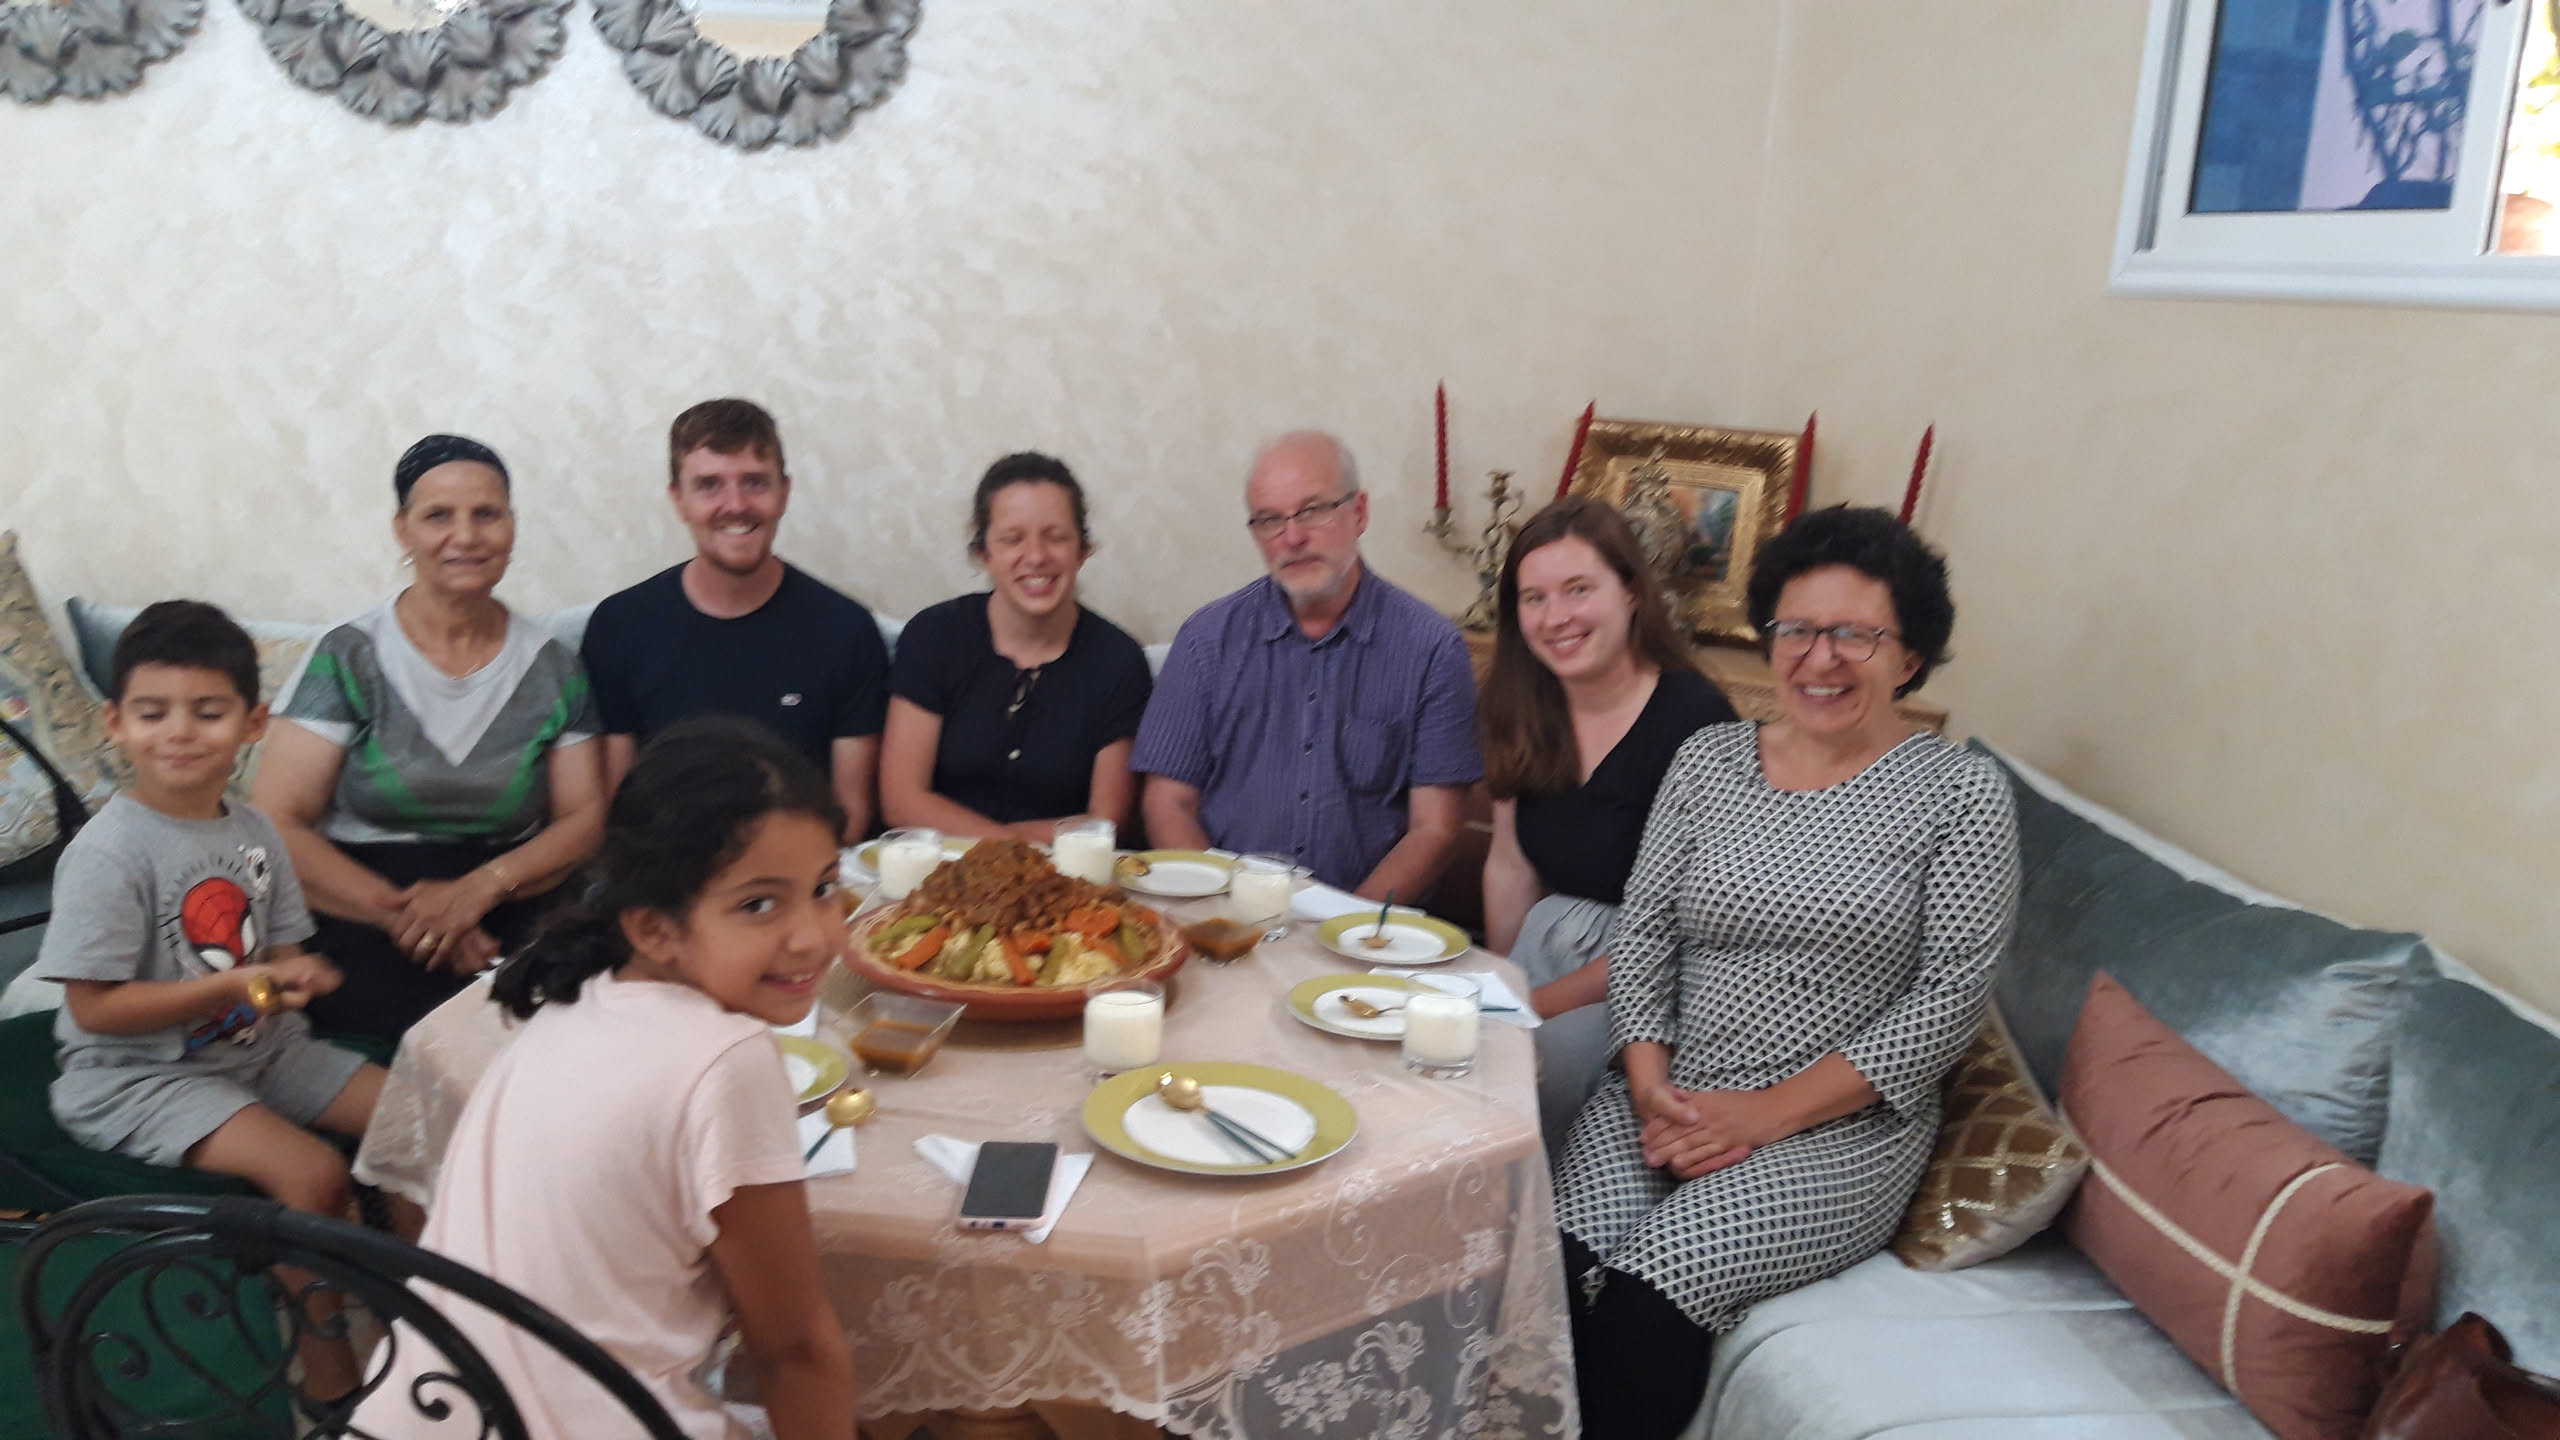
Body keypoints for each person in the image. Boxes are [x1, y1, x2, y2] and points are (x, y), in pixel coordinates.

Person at [1551, 505, 2019, 1438]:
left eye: (1855, 634)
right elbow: (1645, 937)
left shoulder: (1960, 792)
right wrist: (1650, 1088)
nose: (1820, 658)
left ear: (1910, 656)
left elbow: (1950, 998)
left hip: (1835, 1128)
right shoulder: (1709, 761)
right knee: (1552, 1272)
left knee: (1649, 1296)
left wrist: (1764, 1114)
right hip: (1668, 1095)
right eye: (1797, 629)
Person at [355, 719, 857, 1439]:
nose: (813, 935)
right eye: (758, 904)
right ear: (654, 929)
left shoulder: (578, 997)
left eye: (825, 887)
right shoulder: (728, 1059)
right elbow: (795, 1350)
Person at [32, 601, 386, 1397]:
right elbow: (94, 1011)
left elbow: (282, 956)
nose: (180, 733)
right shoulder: (109, 853)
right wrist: (233, 985)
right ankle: (334, 1388)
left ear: (254, 723)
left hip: (262, 1051)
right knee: (314, 1175)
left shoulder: (256, 831)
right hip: (140, 1076)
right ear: (116, 723)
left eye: (208, 711)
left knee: (412, 1119)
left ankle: (427, 1322)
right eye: (153, 712)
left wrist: (298, 976)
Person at [253, 436, 607, 1047]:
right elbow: (275, 819)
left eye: (486, 514)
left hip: (509, 900)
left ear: (511, 528)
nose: (465, 536)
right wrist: (412, 918)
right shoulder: (350, 654)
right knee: (415, 1040)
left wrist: (479, 891)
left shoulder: (554, 667)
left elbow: (584, 819)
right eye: (438, 515)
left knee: (559, 1033)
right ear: (403, 530)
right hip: (360, 904)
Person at [1477, 499, 1736, 1155]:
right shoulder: (1519, 702)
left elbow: (1690, 922)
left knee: (1542, 1061)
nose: (1555, 617)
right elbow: (1510, 863)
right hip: (1546, 940)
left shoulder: (1697, 719)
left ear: (1630, 592)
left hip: (1654, 972)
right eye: (1534, 598)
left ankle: (1532, 1213)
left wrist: (1533, 1003)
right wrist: (1500, 982)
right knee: (1456, 1048)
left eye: (1578, 589)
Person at [1132, 431, 1481, 897]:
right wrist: (1223, 912)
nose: (1293, 538)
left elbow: (1435, 830)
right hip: (1223, 912)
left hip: (1366, 924)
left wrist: (1344, 925)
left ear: (1359, 512)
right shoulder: (1205, 640)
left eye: (1313, 511)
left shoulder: (1432, 649)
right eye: (1270, 520)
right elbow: (1167, 803)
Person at [579, 399, 891, 839]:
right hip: (667, 867)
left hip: (799, 869)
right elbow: (617, 811)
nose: (736, 504)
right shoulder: (618, 627)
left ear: (784, 493)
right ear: (679, 500)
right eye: (709, 485)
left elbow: (851, 814)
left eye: (755, 483)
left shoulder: (846, 631)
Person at [880, 453, 1153, 839]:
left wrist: (1005, 856)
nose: (1037, 557)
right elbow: (902, 801)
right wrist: (1007, 852)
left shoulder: (1119, 661)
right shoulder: (934, 637)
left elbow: (1105, 822)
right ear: (984, 554)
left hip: (1064, 873)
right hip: (938, 867)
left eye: (1056, 537)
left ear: (1082, 551)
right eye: (1013, 539)